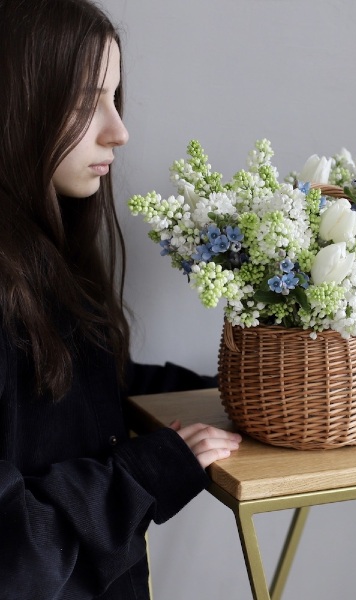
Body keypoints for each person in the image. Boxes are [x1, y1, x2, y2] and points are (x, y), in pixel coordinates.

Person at [0, 0, 242, 598]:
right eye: (86, 102)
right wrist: (145, 473)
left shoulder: (43, 260)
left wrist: (248, 395)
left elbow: (81, 391)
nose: (119, 129)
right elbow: (12, 555)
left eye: (114, 97)